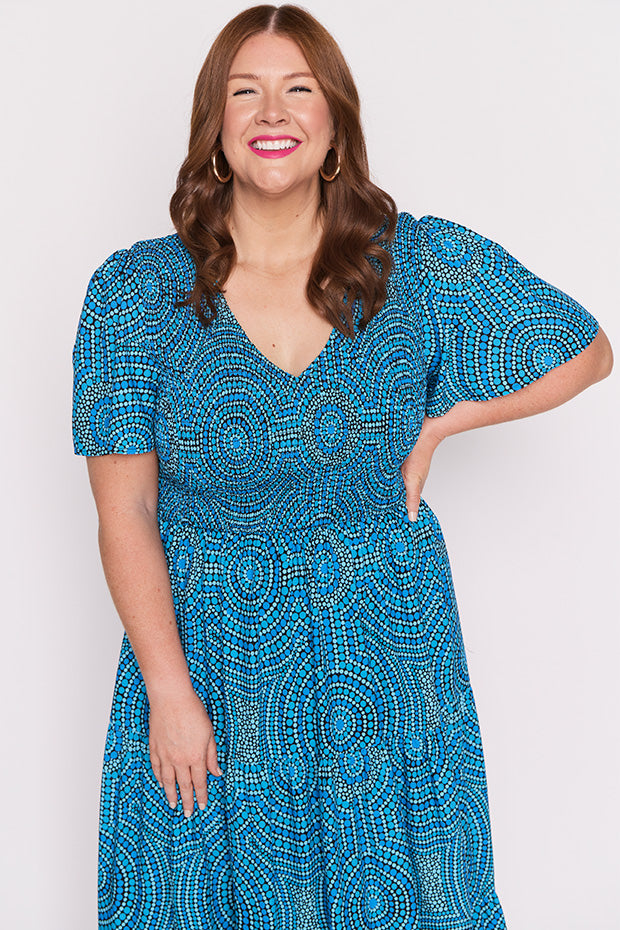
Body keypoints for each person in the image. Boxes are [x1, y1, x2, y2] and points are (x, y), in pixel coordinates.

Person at [71, 4, 613, 928]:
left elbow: (586, 349)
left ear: (334, 128)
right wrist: (168, 687)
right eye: (245, 92)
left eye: (298, 89)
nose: (272, 112)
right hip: (215, 658)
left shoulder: (411, 265)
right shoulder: (136, 294)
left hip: (387, 651)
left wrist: (442, 425)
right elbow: (125, 513)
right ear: (215, 127)